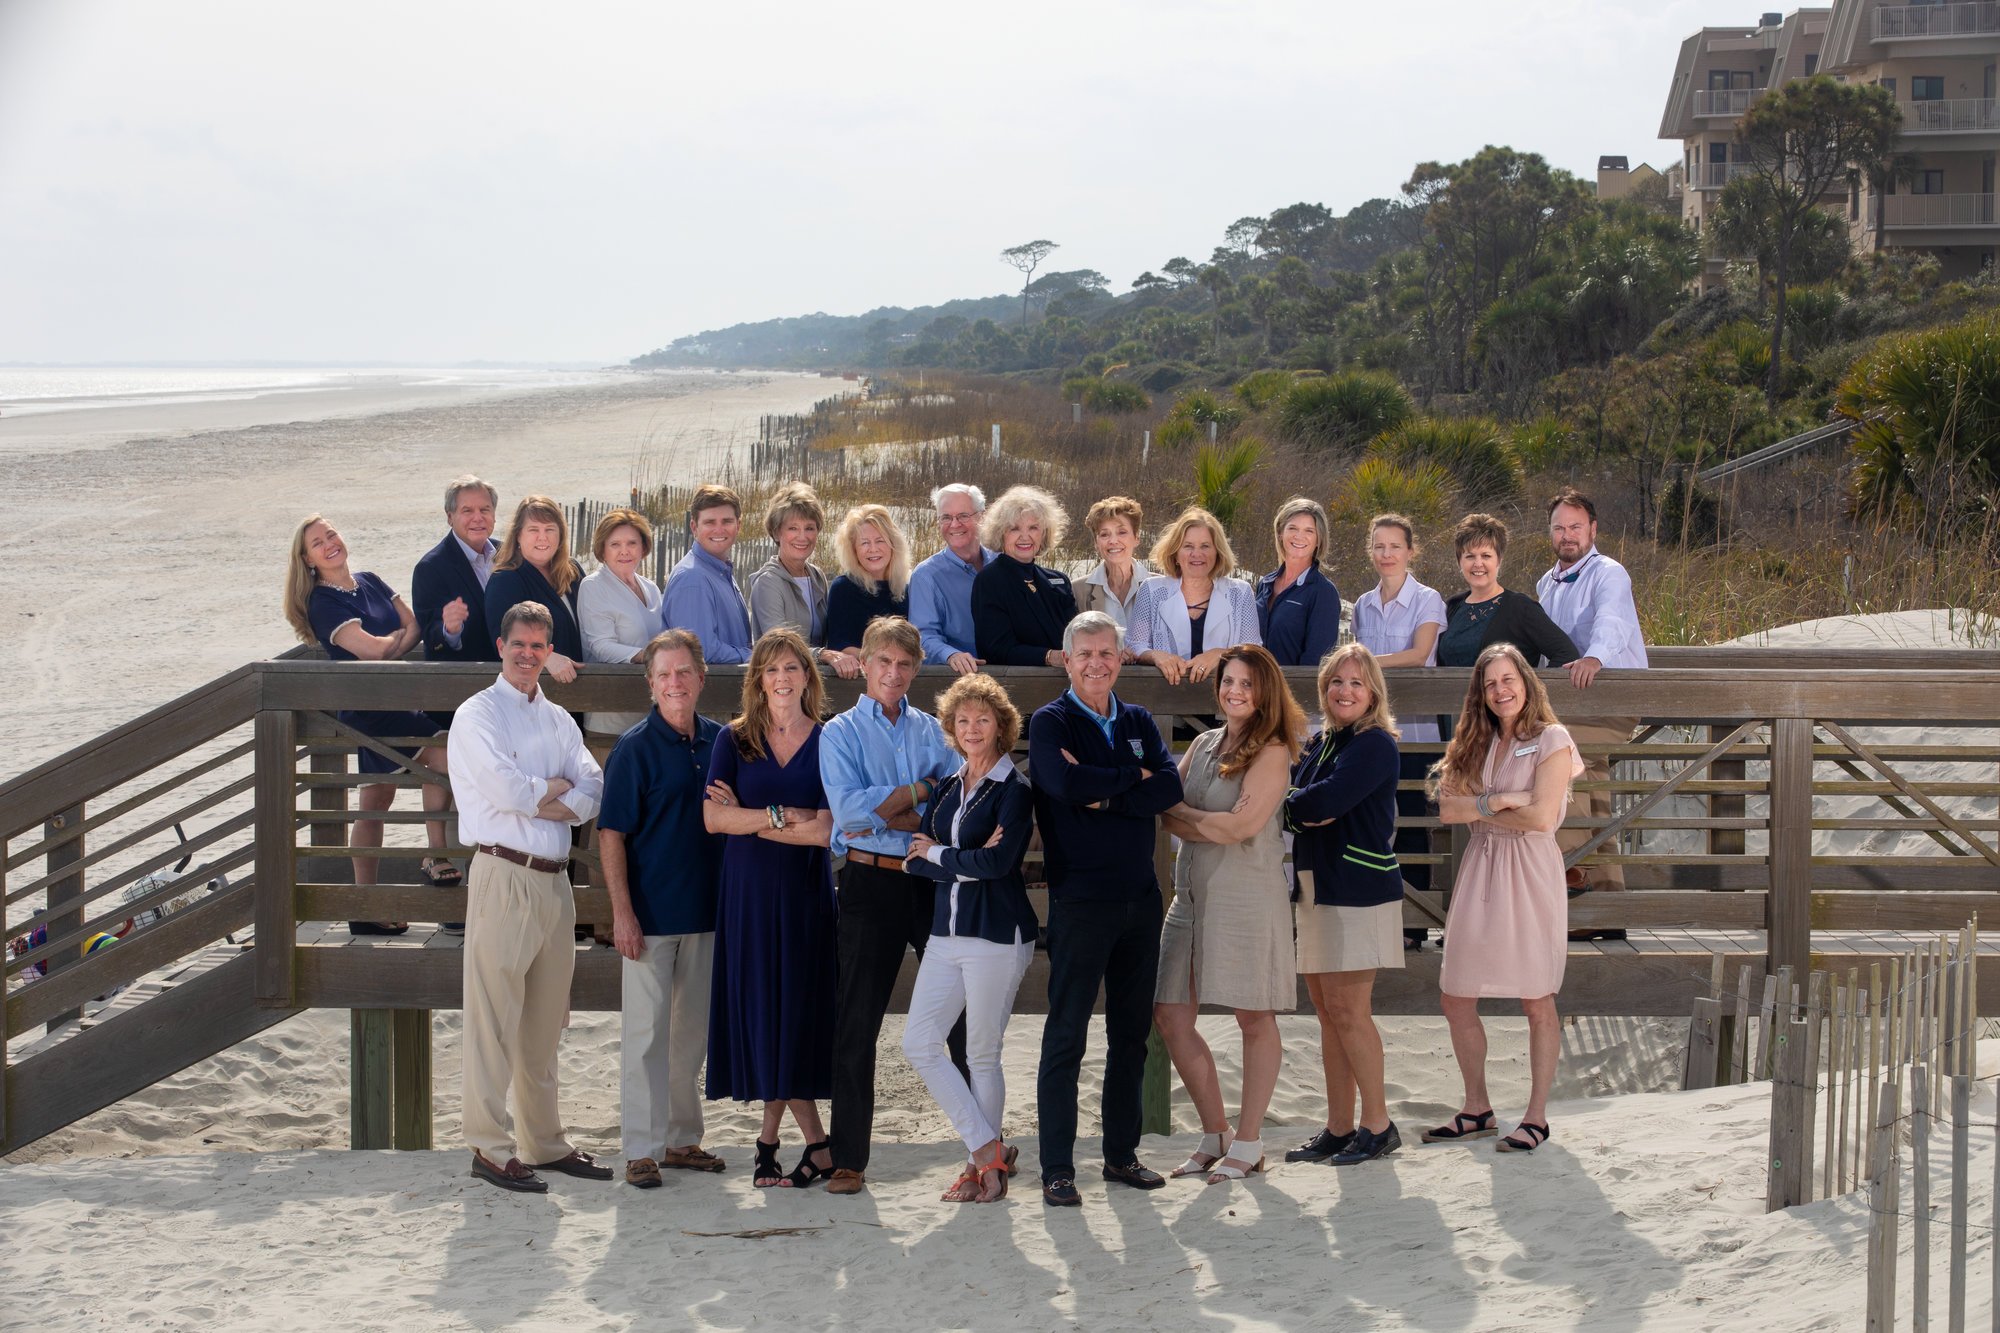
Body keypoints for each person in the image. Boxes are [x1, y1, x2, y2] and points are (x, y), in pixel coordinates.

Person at [448, 600, 608, 1193]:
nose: (528, 654)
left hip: (555, 881)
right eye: (519, 644)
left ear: (548, 652)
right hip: (503, 875)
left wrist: (550, 793)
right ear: (501, 645)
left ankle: (544, 1142)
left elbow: (593, 786)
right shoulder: (477, 715)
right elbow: (504, 790)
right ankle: (489, 1147)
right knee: (492, 1020)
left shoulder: (560, 720)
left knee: (543, 1023)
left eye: (539, 646)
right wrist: (553, 791)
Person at [1030, 611, 1184, 1207]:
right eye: (1085, 653)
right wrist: (1131, 781)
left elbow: (1167, 789)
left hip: (1140, 900)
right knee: (1066, 1037)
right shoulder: (1051, 723)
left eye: (1107, 653)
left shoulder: (1140, 720)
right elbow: (1061, 786)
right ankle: (1058, 1168)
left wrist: (1103, 788)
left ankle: (1121, 1156)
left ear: (1121, 660)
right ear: (1067, 661)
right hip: (1080, 900)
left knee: (1130, 1036)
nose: (1097, 663)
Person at [818, 615, 964, 1196]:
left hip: (929, 881)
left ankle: (983, 1146)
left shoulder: (935, 731)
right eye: (884, 661)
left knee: (959, 1013)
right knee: (857, 1020)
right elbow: (849, 816)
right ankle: (849, 1157)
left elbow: (954, 809)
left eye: (905, 664)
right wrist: (920, 796)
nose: (894, 673)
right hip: (869, 885)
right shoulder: (839, 734)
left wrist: (899, 810)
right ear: (865, 663)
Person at [1422, 642, 1583, 1155]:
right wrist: (1496, 801)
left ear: (1526, 683)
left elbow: (1539, 820)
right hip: (1481, 868)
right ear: (1482, 693)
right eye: (1490, 683)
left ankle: (1536, 1117)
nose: (1500, 690)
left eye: (1508, 679)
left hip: (1530, 871)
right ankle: (1477, 1108)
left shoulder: (1553, 738)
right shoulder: (1477, 741)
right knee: (1456, 994)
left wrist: (1479, 809)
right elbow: (1448, 810)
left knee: (1537, 997)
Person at [1155, 644, 1303, 1185]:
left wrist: (1192, 818)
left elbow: (1241, 829)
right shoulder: (1203, 741)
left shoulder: (1273, 751)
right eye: (1228, 681)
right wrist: (1204, 821)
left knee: (1252, 1016)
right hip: (1189, 896)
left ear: (1265, 691)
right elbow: (1165, 811)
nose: (1235, 691)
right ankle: (1215, 1132)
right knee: (1170, 1015)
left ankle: (1249, 1140)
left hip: (1246, 897)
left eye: (1246, 683)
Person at [702, 628, 838, 1188]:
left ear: (808, 676)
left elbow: (829, 831)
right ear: (757, 680)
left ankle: (772, 1145)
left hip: (806, 892)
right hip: (749, 895)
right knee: (765, 1009)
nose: (782, 679)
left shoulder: (830, 739)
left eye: (792, 668)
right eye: (771, 669)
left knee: (796, 1012)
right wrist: (787, 817)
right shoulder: (733, 741)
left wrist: (755, 818)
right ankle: (806, 1147)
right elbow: (713, 821)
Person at [902, 672, 1039, 1203]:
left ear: (1001, 726)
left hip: (996, 936)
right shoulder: (947, 786)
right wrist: (961, 861)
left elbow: (1001, 863)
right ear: (952, 728)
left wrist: (937, 854)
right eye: (963, 720)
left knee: (982, 1054)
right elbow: (917, 865)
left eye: (983, 718)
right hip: (946, 933)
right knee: (919, 1043)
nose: (973, 727)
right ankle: (987, 1147)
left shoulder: (1016, 789)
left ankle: (982, 1168)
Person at [283, 514, 454, 935]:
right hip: (369, 710)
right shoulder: (323, 603)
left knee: (378, 800)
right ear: (307, 559)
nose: (329, 544)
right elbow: (372, 649)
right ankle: (432, 858)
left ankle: (366, 902)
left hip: (399, 700)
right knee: (440, 758)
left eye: (332, 534)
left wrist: (389, 644)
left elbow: (412, 626)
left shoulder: (370, 580)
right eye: (317, 543)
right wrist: (390, 644)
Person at [598, 629, 726, 1189]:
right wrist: (622, 915)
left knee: (689, 1036)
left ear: (701, 678)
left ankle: (681, 1140)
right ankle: (641, 1150)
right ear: (650, 685)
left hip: (708, 914)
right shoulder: (634, 748)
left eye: (683, 673)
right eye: (663, 675)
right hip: (649, 919)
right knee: (646, 1037)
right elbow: (611, 836)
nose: (674, 683)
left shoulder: (722, 743)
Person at [1283, 644, 1407, 1167]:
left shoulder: (1374, 744)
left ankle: (1378, 1126)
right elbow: (1298, 804)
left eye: (1356, 683)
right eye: (1336, 682)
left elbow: (1324, 801)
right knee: (1327, 1011)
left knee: (1351, 1013)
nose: (1345, 691)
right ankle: (1338, 1127)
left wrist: (1301, 807)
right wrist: (1300, 809)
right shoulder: (1323, 741)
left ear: (1373, 690)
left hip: (1358, 889)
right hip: (1315, 886)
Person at [1535, 487, 1647, 905]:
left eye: (1575, 527)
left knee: (1557, 754)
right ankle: (1608, 899)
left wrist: (1594, 658)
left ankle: (1571, 869)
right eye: (1559, 527)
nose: (1567, 535)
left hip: (1612, 700)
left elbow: (1611, 621)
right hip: (1573, 703)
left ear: (1593, 529)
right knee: (1593, 786)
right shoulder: (1546, 583)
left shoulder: (1609, 573)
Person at [1350, 513, 1449, 951]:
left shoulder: (1429, 599)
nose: (1386, 554)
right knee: (1373, 820)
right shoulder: (1361, 604)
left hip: (1416, 730)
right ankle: (1376, 911)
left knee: (1410, 819)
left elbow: (1420, 653)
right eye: (1379, 546)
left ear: (1411, 551)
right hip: (1372, 731)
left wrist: (1365, 662)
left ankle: (1414, 922)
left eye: (1395, 546)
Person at [1128, 506, 1262, 685]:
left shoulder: (1240, 592)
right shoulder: (1152, 591)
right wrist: (1155, 655)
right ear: (1175, 553)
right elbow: (1135, 645)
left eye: (1205, 546)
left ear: (1217, 552)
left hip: (1225, 703)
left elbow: (1253, 650)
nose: (1197, 554)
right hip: (1165, 702)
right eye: (1188, 546)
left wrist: (1222, 654)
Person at [1435, 513, 1577, 673]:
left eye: (1486, 556)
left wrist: (1530, 691)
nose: (1478, 564)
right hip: (1448, 698)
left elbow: (1566, 653)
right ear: (1459, 561)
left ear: (1499, 560)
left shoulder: (1521, 608)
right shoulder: (1452, 606)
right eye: (1470, 556)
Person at [577, 507, 664, 738]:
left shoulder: (652, 589)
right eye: (615, 544)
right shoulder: (593, 586)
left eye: (632, 543)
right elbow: (601, 646)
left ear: (643, 547)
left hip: (650, 713)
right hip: (610, 714)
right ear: (602, 549)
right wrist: (650, 656)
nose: (624, 551)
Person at [747, 483, 848, 675]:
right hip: (779, 683)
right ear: (777, 532)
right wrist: (823, 655)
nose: (803, 537)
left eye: (809, 528)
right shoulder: (767, 582)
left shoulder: (817, 576)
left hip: (812, 682)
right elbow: (778, 645)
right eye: (793, 528)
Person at [972, 485, 1077, 667]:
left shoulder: (1059, 581)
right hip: (1019, 686)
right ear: (1000, 533)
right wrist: (1049, 656)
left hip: (1069, 684)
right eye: (1014, 529)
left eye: (1033, 527)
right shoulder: (989, 580)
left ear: (1044, 533)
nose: (1025, 536)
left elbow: (1077, 638)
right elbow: (995, 649)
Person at [485, 495, 584, 682]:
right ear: (518, 535)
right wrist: (547, 657)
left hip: (583, 687)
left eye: (549, 529)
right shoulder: (505, 581)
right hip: (535, 692)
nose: (542, 537)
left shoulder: (573, 572)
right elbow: (502, 640)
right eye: (533, 529)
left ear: (561, 535)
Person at [412, 474, 501, 668]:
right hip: (465, 682)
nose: (478, 517)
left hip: (518, 678)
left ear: (494, 514)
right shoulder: (430, 568)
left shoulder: (509, 554)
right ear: (450, 517)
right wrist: (450, 630)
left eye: (485, 509)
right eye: (467, 510)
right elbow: (431, 637)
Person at [662, 484, 753, 665]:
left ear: (738, 525)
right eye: (710, 522)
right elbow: (702, 651)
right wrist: (756, 657)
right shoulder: (692, 579)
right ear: (694, 527)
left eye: (726, 521)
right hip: (710, 691)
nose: (719, 530)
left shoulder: (720, 572)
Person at [910, 482, 994, 675]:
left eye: (963, 515)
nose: (955, 524)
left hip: (1015, 672)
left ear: (982, 516)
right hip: (957, 677)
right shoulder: (926, 576)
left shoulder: (1002, 564)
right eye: (946, 517)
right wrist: (951, 655)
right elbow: (923, 637)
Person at [1253, 496, 1341, 668]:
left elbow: (1315, 662)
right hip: (1255, 689)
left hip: (1293, 692)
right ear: (1280, 533)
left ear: (1319, 539)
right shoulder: (1265, 584)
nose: (1299, 536)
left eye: (1309, 531)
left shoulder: (1323, 593)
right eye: (1292, 528)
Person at [824, 503, 914, 660]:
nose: (873, 549)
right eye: (864, 543)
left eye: (880, 541)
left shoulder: (908, 587)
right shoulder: (843, 588)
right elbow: (839, 644)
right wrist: (884, 662)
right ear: (854, 550)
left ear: (893, 544)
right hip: (859, 679)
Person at [1074, 495, 1157, 636]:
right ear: (1096, 542)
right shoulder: (1077, 591)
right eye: (1104, 534)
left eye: (1122, 532)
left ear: (1136, 537)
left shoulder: (1161, 587)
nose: (1113, 541)